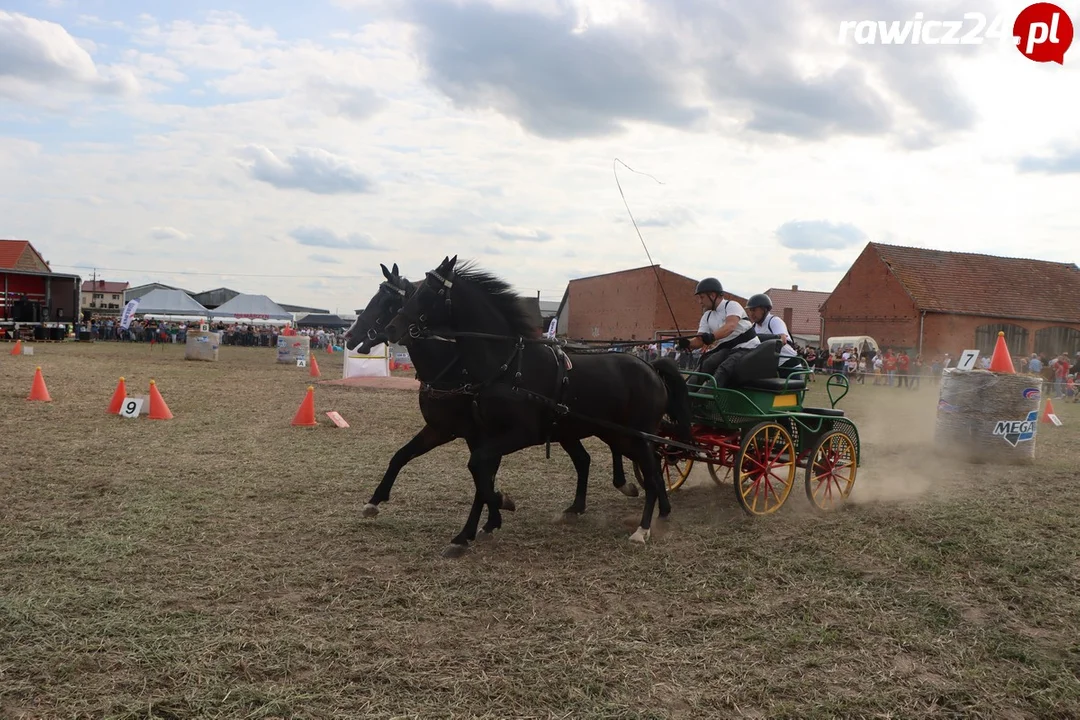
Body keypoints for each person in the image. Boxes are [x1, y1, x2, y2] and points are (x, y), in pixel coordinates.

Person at [677, 277, 760, 388]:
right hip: (728, 349)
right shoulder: (707, 316)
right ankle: (687, 395)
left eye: (702, 297)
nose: (700, 302)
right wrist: (688, 343)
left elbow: (730, 326)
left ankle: (705, 397)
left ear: (712, 295)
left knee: (724, 368)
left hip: (748, 348)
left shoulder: (731, 305)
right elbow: (699, 340)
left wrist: (712, 337)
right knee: (707, 363)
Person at [744, 294, 799, 368]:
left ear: (764, 310)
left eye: (754, 310)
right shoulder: (753, 326)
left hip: (788, 363)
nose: (751, 314)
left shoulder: (774, 321)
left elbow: (783, 339)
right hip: (772, 365)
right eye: (750, 310)